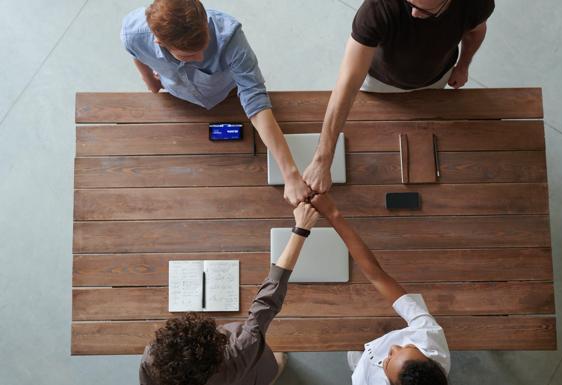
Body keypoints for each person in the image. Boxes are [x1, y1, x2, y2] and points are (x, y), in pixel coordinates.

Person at [121, 0, 310, 206]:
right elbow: (134, 51)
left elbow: (255, 98)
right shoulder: (133, 33)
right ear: (159, 41)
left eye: (204, 45)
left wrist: (290, 174)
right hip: (179, 101)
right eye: (189, 55)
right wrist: (150, 81)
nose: (201, 57)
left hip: (226, 94)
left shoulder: (230, 37)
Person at [303, 0, 495, 194]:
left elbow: (476, 31)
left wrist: (463, 66)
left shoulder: (476, 3)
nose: (413, 13)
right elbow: (348, 83)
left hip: (436, 77)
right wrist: (322, 159)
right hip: (378, 82)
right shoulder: (377, 8)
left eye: (422, 9)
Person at [138, 202, 320, 385]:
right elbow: (267, 300)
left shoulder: (152, 359)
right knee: (272, 365)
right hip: (251, 373)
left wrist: (301, 230)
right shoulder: (240, 350)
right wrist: (301, 230)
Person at [311, 194, 450, 385]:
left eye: (388, 360)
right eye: (406, 346)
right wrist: (332, 214)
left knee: (356, 360)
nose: (393, 347)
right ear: (429, 358)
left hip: (362, 366)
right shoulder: (428, 338)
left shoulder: (364, 381)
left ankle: (363, 361)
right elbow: (376, 275)